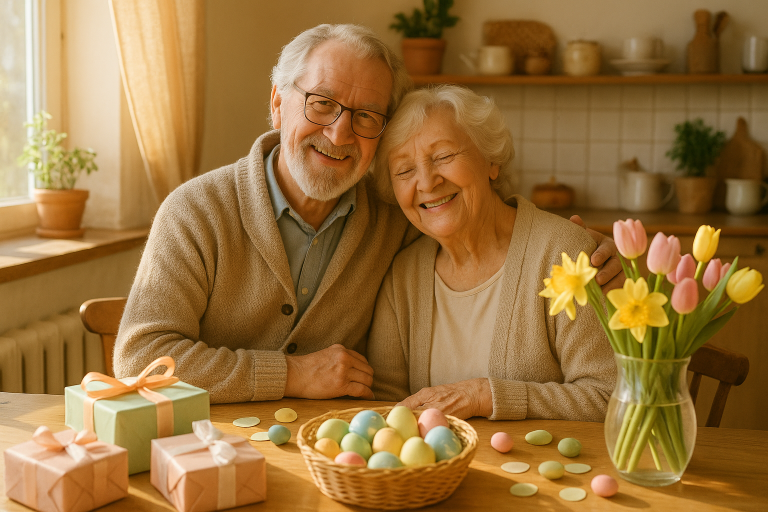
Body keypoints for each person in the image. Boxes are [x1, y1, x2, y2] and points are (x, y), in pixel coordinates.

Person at [114, 24, 621, 404]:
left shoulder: (396, 217)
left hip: (335, 457)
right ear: (277, 103)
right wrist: (291, 375)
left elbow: (473, 217)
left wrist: (587, 248)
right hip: (210, 450)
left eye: (365, 116)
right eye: (320, 103)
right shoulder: (195, 211)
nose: (339, 133)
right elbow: (139, 359)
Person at [367, 85, 616, 421]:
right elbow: (386, 409)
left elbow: (609, 397)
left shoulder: (564, 256)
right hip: (436, 472)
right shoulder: (403, 276)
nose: (426, 182)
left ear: (491, 161)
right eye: (404, 170)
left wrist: (487, 396)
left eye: (443, 156)